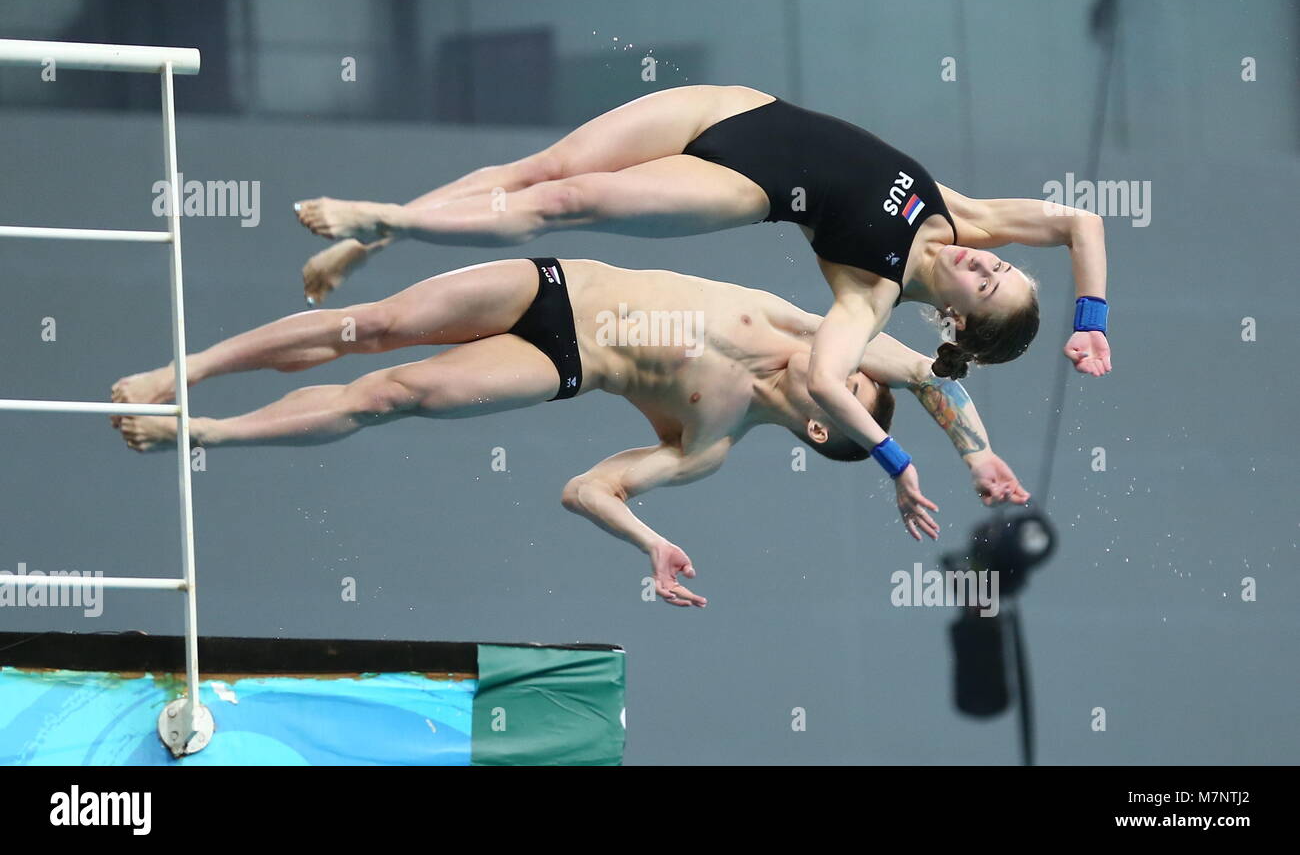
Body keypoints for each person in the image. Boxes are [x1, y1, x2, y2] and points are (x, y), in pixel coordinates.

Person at [291, 84, 1109, 510]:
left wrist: (917, 462)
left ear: (957, 317)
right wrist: (1091, 321)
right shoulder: (965, 214)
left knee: (565, 204)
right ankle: (382, 236)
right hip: (740, 107)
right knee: (537, 171)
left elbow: (843, 382)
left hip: (739, 182)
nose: (985, 261)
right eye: (1001, 264)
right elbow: (1080, 220)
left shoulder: (869, 296)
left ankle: (384, 217)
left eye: (989, 282)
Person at [112, 258, 1029, 608]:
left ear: (830, 430)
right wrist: (975, 453)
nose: (838, 366)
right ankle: (178, 373)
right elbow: (942, 381)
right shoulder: (805, 330)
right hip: (557, 288)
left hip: (560, 364)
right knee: (379, 324)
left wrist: (651, 543)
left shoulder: (709, 444)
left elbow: (585, 488)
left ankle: (207, 431)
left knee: (384, 395)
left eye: (849, 390)